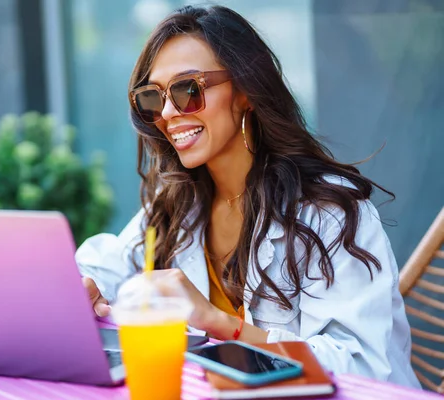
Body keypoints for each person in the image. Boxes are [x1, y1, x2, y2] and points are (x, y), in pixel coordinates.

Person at [75, 5, 419, 388]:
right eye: (152, 98)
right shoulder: (178, 202)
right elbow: (112, 262)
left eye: (188, 90)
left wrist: (220, 324)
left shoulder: (328, 212)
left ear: (246, 92)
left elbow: (365, 366)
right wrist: (91, 282)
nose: (169, 112)